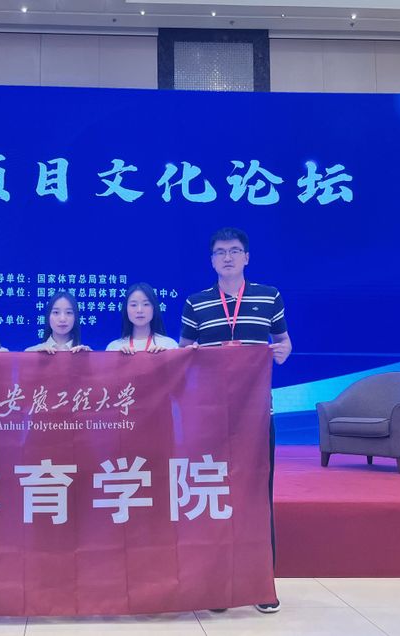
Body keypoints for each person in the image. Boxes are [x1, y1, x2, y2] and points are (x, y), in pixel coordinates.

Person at [179, 227, 291, 614]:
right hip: (211, 418)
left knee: (258, 497)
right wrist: (191, 354)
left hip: (257, 414)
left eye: (234, 251)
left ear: (247, 257)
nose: (227, 257)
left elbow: (284, 343)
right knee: (214, 496)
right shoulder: (196, 303)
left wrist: (281, 352)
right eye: (220, 252)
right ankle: (218, 584)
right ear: (211, 260)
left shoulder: (269, 296)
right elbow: (183, 352)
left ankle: (262, 584)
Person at [106, 282, 178, 354]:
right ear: (126, 309)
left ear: (154, 308)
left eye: (146, 304)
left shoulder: (169, 345)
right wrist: (118, 357)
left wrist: (165, 356)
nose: (139, 310)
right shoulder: (114, 348)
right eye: (133, 305)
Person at [25, 291, 91, 353]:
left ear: (75, 317)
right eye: (56, 312)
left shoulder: (86, 353)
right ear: (48, 316)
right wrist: (37, 358)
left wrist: (87, 357)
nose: (62, 319)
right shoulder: (31, 352)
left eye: (68, 312)